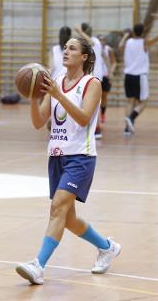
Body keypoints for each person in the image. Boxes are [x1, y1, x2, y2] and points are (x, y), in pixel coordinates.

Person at [15, 37, 121, 285]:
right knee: (68, 218)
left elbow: (84, 118)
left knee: (58, 207)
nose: (66, 51)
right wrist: (32, 96)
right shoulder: (55, 84)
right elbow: (39, 122)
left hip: (81, 156)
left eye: (72, 48)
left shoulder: (91, 83)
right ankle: (107, 247)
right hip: (57, 156)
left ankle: (38, 265)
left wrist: (57, 95)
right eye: (65, 48)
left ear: (84, 56)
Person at [118, 14, 158, 135]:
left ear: (133, 32)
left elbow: (119, 47)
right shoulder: (145, 43)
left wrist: (124, 36)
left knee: (130, 102)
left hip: (128, 76)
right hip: (140, 76)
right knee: (143, 103)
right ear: (143, 32)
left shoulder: (128, 42)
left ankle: (127, 129)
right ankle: (131, 118)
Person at [74, 23, 104, 139]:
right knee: (83, 102)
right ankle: (88, 126)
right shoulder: (85, 44)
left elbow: (91, 43)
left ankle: (97, 128)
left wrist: (79, 32)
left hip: (95, 76)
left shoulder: (94, 41)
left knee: (95, 103)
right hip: (88, 75)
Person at [99, 34, 117, 123]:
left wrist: (111, 72)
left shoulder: (108, 49)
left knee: (104, 96)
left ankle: (102, 114)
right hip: (96, 76)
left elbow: (114, 62)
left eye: (104, 40)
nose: (102, 42)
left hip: (106, 76)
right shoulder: (94, 49)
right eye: (100, 40)